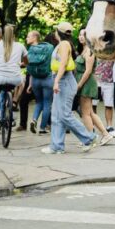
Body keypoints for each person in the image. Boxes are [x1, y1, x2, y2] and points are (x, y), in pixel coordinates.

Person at [41, 22, 99, 154]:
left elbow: (63, 64)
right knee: (56, 115)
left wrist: (56, 82)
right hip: (63, 80)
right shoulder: (64, 44)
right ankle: (56, 146)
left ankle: (89, 137)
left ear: (57, 32)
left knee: (65, 115)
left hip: (64, 81)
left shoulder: (64, 44)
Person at [75, 29, 113, 145]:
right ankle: (104, 134)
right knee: (90, 112)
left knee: (85, 113)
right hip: (83, 82)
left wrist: (79, 85)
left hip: (86, 83)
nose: (81, 37)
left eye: (84, 35)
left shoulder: (90, 51)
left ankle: (90, 138)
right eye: (80, 34)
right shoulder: (83, 50)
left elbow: (88, 71)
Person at [25, 30, 54, 134]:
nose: (27, 38)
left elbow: (30, 69)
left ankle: (34, 120)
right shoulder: (48, 48)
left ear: (35, 38)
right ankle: (42, 128)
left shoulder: (30, 50)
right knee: (47, 104)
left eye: (28, 37)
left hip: (35, 80)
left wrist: (30, 84)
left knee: (38, 103)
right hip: (47, 79)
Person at [94, 59, 115, 132]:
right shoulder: (93, 51)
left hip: (109, 81)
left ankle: (109, 126)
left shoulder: (112, 51)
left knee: (109, 105)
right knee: (93, 105)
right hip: (95, 81)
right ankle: (93, 126)